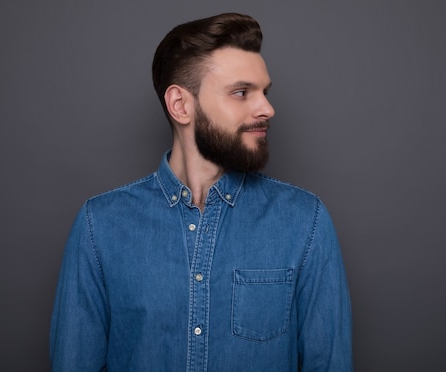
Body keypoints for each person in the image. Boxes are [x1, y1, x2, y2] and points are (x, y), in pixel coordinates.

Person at [50, 12, 352, 371]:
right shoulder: (99, 227)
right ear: (180, 105)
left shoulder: (306, 222)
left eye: (264, 92)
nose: (267, 109)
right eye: (242, 92)